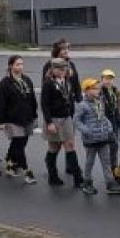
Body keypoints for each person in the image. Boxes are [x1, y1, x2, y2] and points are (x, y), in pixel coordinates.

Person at [40, 58, 85, 189]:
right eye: (59, 69)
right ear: (53, 70)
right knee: (54, 147)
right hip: (54, 119)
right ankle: (52, 176)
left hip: (67, 118)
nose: (62, 71)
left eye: (64, 69)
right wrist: (49, 123)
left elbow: (70, 99)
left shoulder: (67, 82)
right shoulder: (48, 84)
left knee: (70, 145)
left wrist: (72, 114)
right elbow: (44, 104)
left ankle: (78, 177)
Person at [74, 76, 119, 195]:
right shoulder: (82, 105)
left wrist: (109, 127)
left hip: (103, 137)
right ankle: (87, 182)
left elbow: (103, 117)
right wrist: (86, 130)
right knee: (90, 162)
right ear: (86, 90)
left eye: (98, 88)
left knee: (106, 162)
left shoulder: (100, 101)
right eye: (94, 88)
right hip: (91, 139)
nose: (97, 90)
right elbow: (77, 121)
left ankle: (110, 183)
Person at [0, 55, 39, 184]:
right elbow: (1, 103)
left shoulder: (26, 79)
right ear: (11, 66)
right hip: (13, 119)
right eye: (17, 64)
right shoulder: (5, 83)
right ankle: (27, 172)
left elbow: (32, 98)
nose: (20, 67)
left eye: (22, 64)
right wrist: (1, 121)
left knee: (19, 143)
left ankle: (10, 162)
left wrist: (35, 115)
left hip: (27, 117)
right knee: (19, 145)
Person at [100, 69, 120, 187]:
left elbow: (118, 109)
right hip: (105, 126)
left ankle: (115, 175)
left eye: (110, 79)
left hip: (115, 124)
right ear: (102, 79)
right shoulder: (100, 93)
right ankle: (111, 178)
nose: (108, 81)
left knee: (114, 150)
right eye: (106, 78)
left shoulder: (116, 91)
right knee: (108, 152)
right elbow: (100, 112)